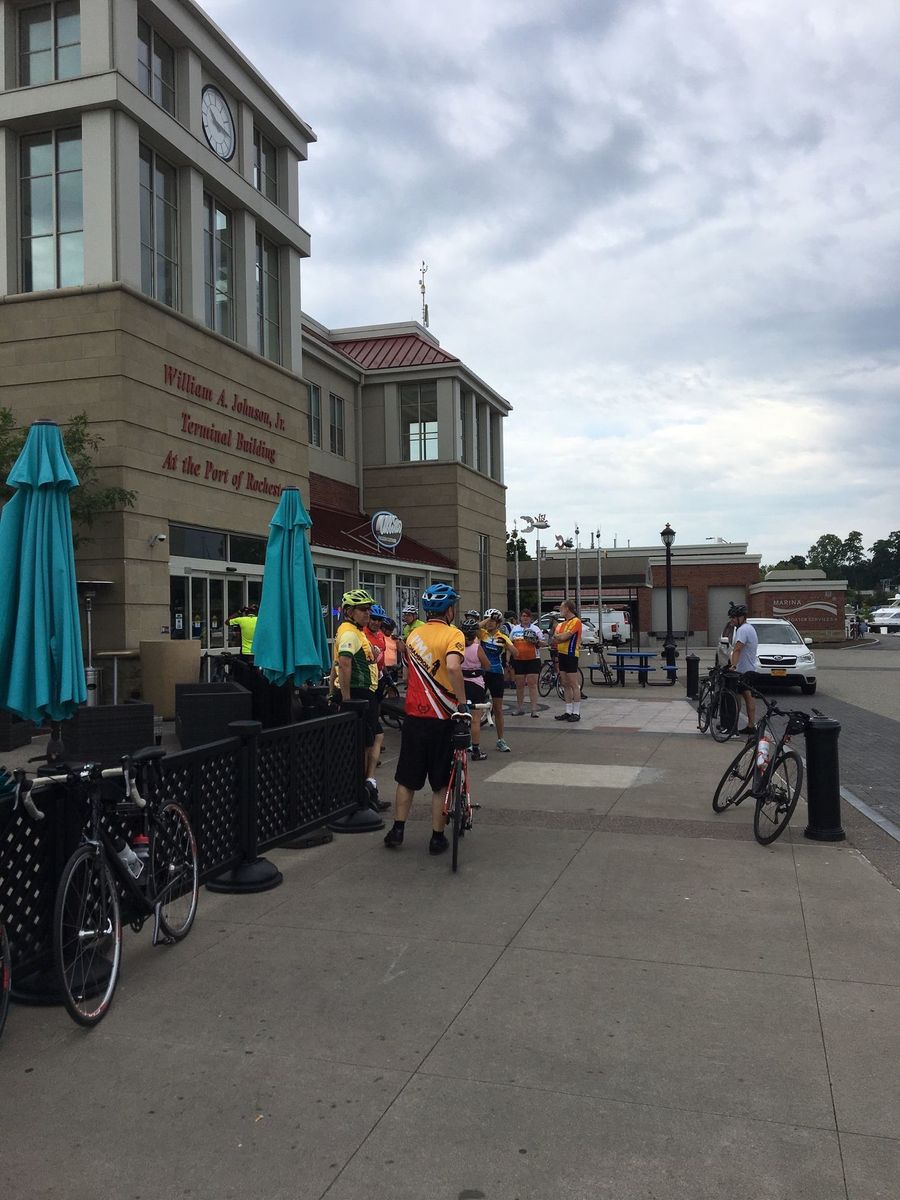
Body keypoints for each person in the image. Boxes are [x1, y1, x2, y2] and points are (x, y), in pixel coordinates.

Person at [384, 583, 470, 855]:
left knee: (407, 778)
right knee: (440, 782)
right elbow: (453, 666)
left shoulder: (413, 635)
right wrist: (463, 702)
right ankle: (436, 837)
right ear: (449, 610)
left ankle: (397, 829)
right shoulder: (453, 634)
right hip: (442, 716)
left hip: (414, 715)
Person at [330, 589, 386, 809]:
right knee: (362, 744)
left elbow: (336, 664)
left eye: (369, 609)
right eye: (363, 609)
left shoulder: (356, 631)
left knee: (376, 736)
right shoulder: (349, 633)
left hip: (365, 693)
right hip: (358, 694)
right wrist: (346, 699)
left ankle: (368, 783)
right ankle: (359, 793)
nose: (368, 613)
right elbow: (344, 664)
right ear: (349, 612)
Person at [481, 608, 516, 751]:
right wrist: (487, 619)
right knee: (474, 708)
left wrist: (507, 644)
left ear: (498, 623)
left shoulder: (502, 637)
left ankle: (501, 740)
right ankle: (471, 741)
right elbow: (472, 628)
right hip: (481, 673)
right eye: (488, 620)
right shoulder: (481, 633)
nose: (489, 623)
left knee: (498, 709)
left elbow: (516, 653)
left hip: (496, 673)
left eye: (493, 621)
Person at [460, 617, 491, 760]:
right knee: (475, 719)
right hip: (476, 684)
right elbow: (487, 666)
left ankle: (460, 745)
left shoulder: (457, 647)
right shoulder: (477, 648)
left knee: (460, 715)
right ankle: (476, 750)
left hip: (461, 683)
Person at [727, 604, 759, 734]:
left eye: (734, 617)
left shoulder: (743, 630)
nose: (732, 620)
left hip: (742, 671)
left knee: (737, 697)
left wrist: (733, 666)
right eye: (731, 617)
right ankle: (751, 725)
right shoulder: (750, 628)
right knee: (748, 697)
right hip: (750, 669)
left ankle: (733, 725)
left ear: (741, 617)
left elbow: (737, 649)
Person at [551, 598, 583, 722]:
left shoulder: (576, 621)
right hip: (561, 654)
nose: (560, 609)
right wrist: (559, 637)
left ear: (567, 608)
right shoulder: (562, 624)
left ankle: (576, 712)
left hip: (571, 654)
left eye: (562, 607)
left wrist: (559, 637)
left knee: (573, 683)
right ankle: (568, 710)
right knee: (564, 683)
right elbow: (556, 639)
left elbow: (565, 636)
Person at [509, 609, 545, 717]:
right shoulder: (515, 629)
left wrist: (535, 641)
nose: (525, 618)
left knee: (532, 684)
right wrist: (508, 659)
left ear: (530, 618)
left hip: (533, 659)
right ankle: (520, 708)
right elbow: (510, 644)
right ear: (520, 617)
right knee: (519, 685)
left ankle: (534, 709)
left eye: (527, 616)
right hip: (519, 660)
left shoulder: (535, 629)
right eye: (523, 616)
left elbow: (544, 643)